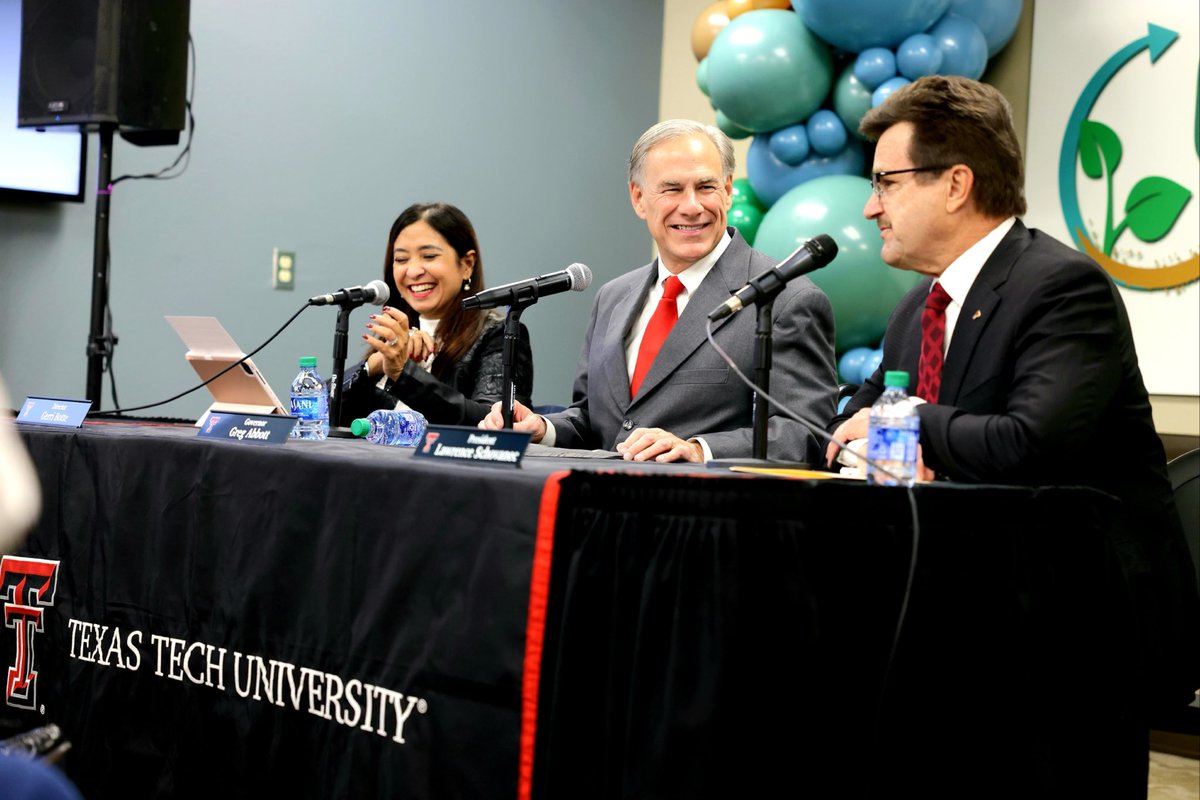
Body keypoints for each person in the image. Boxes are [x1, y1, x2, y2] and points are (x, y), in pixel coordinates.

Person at [828, 74, 1198, 794]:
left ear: (957, 184)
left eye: (886, 183)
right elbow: (847, 433)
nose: (871, 206)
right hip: (961, 606)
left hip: (1073, 627)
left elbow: (1032, 442)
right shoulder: (918, 310)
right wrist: (878, 433)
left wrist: (900, 426)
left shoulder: (1060, 287)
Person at [480, 119, 837, 464]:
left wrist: (699, 449)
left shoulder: (787, 298)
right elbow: (596, 420)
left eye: (706, 187)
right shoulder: (613, 297)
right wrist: (543, 428)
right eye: (672, 189)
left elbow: (805, 433)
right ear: (638, 199)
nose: (692, 206)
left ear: (728, 191)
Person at [337, 202, 534, 427]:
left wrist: (404, 373)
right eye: (401, 259)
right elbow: (319, 411)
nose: (413, 271)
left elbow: (495, 421)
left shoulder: (499, 334)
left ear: (467, 264)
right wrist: (375, 365)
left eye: (429, 256)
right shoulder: (396, 337)